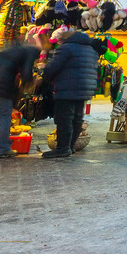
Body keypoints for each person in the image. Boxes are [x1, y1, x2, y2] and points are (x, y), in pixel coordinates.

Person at [40, 29, 102, 158]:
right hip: (85, 88)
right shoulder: (91, 49)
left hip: (68, 87)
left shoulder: (67, 48)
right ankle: (71, 146)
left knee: (64, 118)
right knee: (77, 118)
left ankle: (63, 148)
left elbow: (53, 67)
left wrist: (45, 78)